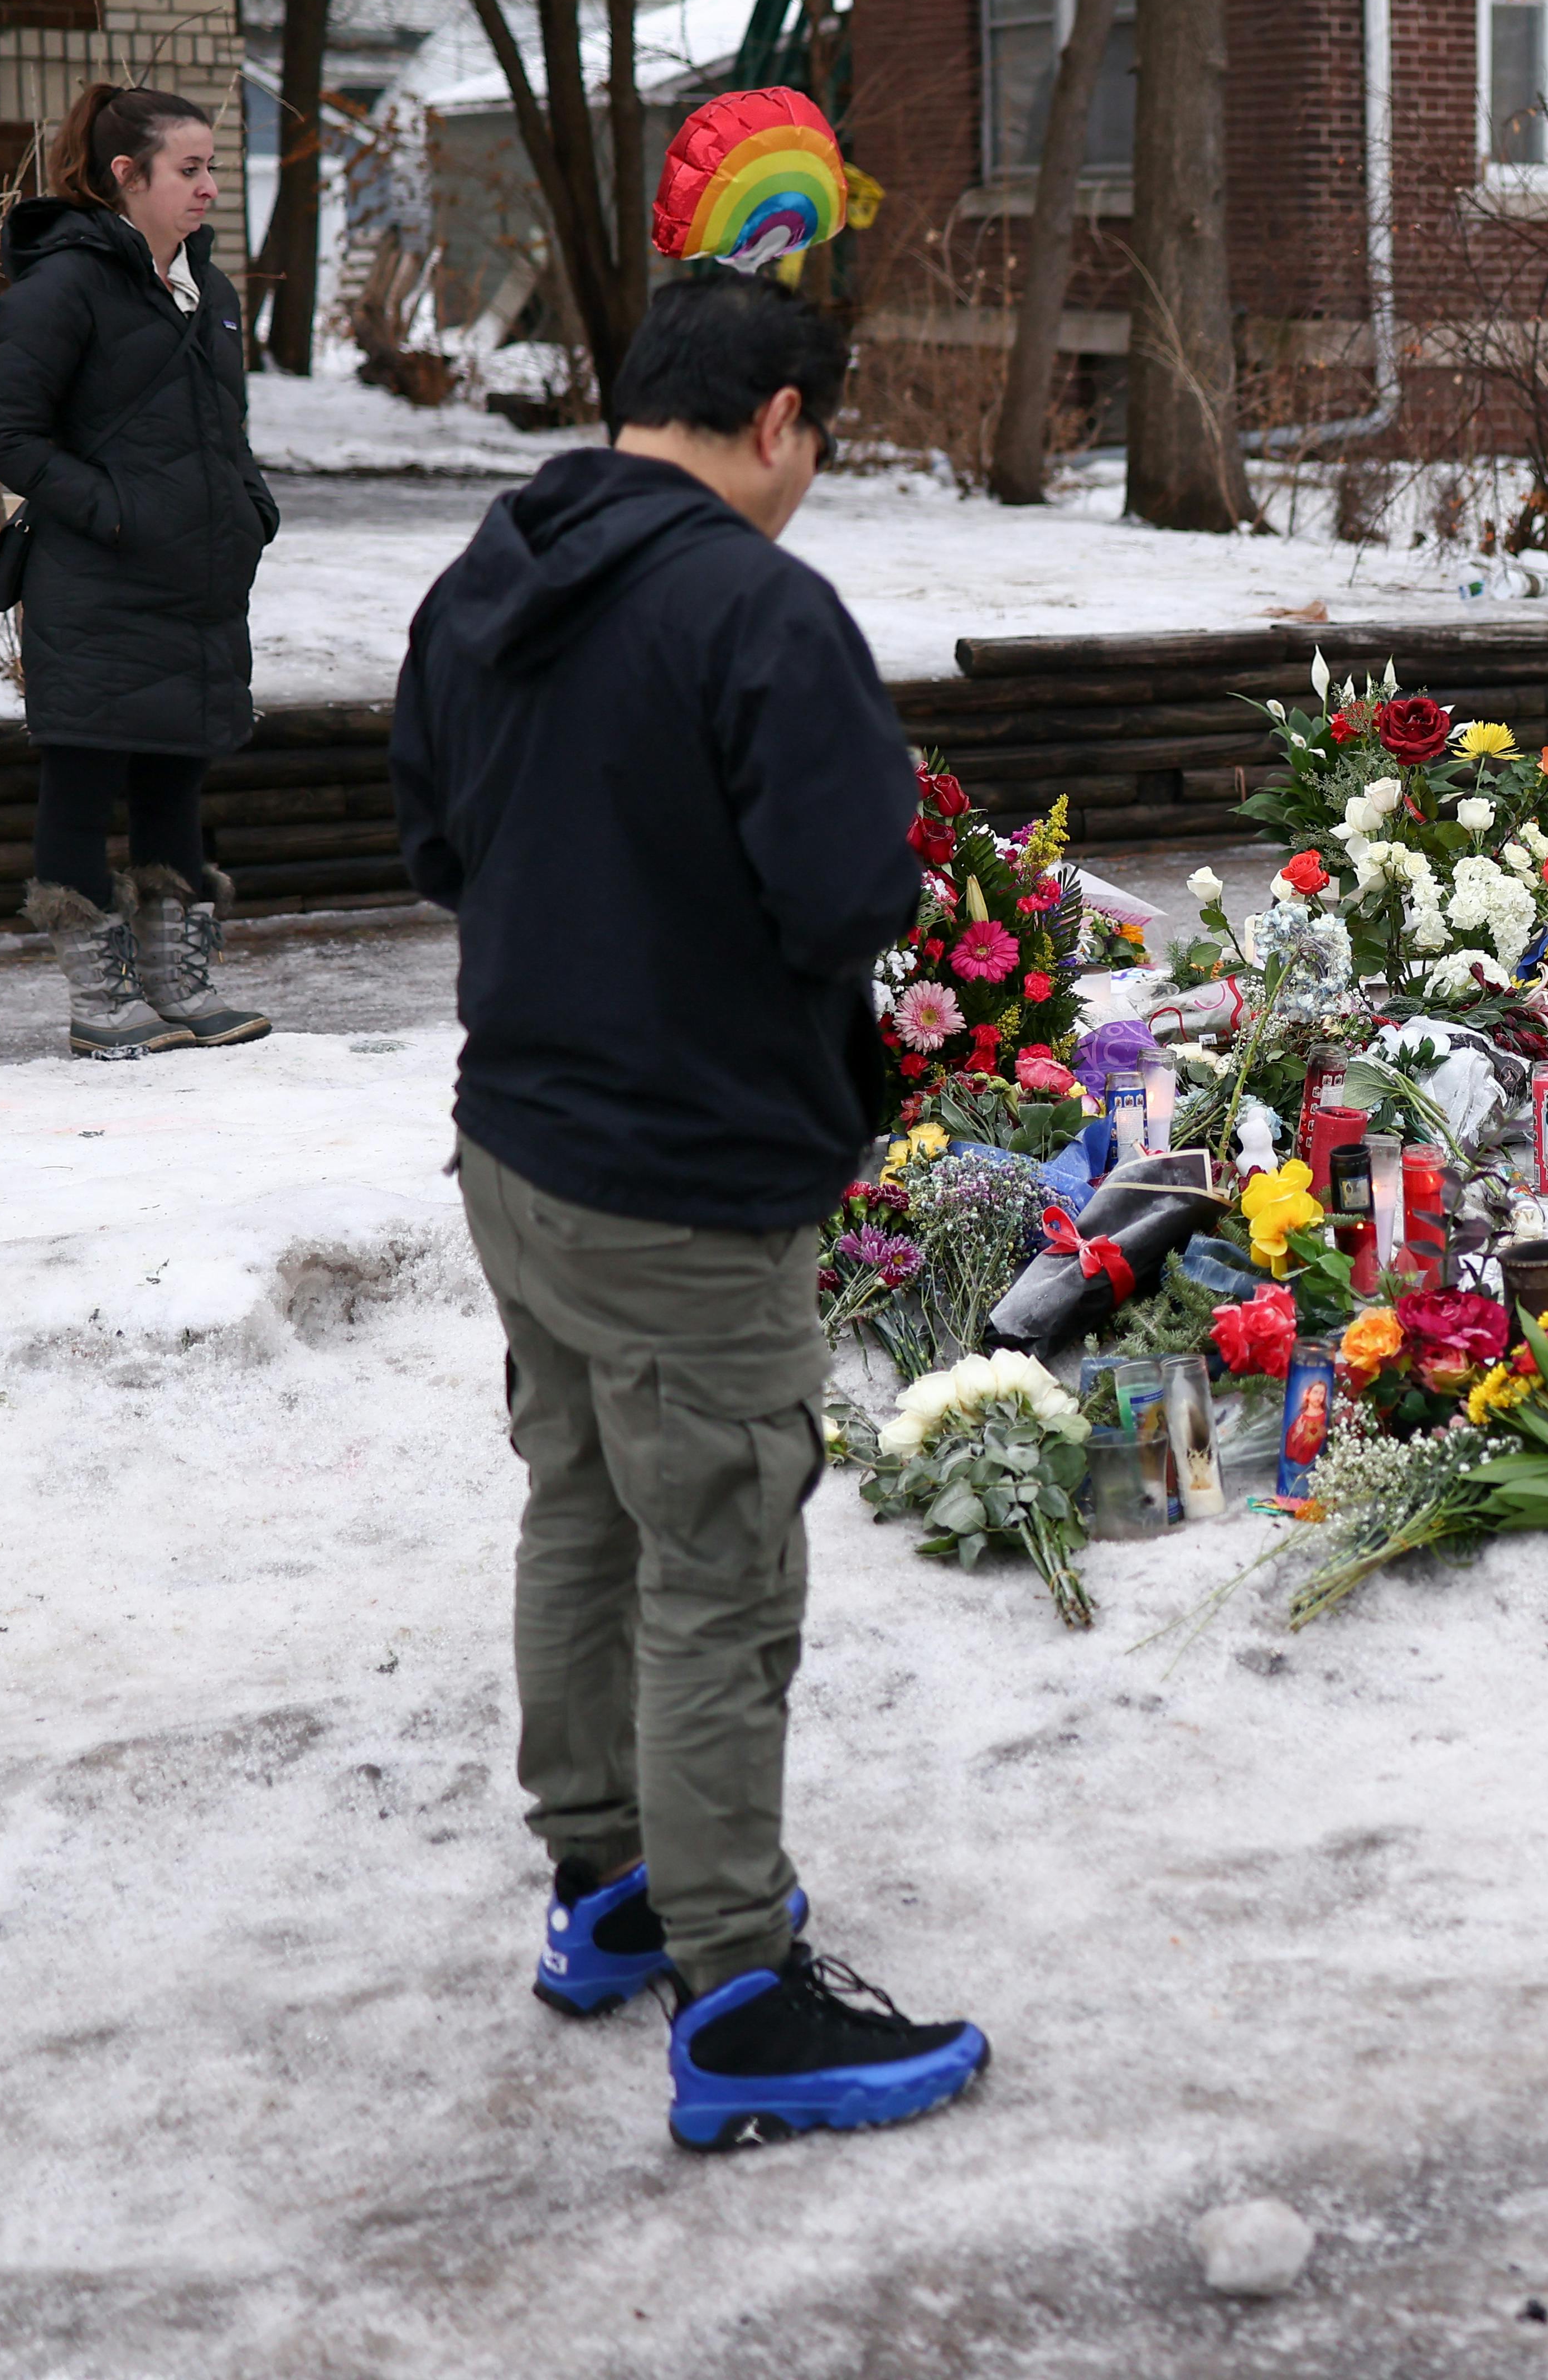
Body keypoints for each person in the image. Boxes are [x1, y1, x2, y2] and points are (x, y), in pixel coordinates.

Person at [391, 259, 985, 2152]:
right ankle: (738, 1992)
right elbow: (845, 895)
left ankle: (610, 1879)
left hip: (521, 1144)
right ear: (780, 420)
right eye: (820, 440)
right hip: (690, 1176)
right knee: (721, 1561)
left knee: (582, 1510)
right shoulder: (758, 607)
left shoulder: (490, 569)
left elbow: (428, 838)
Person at [0, 81, 282, 1058]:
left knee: (175, 771)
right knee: (84, 766)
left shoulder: (213, 290)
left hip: (198, 579)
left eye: (210, 168)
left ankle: (176, 983)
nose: (207, 188)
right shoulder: (62, 287)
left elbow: (219, 430)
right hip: (97, 575)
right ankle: (99, 997)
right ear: (127, 175)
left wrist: (248, 505)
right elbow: (8, 434)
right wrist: (114, 510)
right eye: (188, 169)